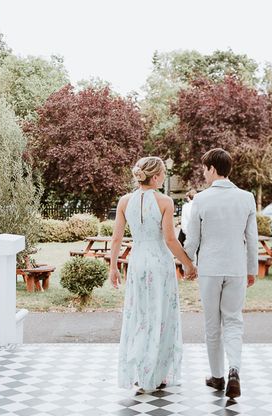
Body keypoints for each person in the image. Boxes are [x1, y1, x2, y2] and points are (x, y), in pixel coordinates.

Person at [109, 156, 197, 392]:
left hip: (137, 262)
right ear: (156, 177)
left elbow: (117, 238)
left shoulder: (125, 201)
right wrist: (188, 263)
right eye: (163, 175)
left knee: (139, 316)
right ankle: (157, 373)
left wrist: (113, 266)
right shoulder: (165, 201)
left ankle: (140, 372)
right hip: (159, 264)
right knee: (160, 317)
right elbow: (169, 239)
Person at [185, 148, 258, 400]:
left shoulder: (201, 200)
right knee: (234, 321)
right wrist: (251, 269)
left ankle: (217, 377)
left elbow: (192, 239)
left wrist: (188, 265)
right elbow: (251, 238)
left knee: (212, 324)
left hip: (210, 269)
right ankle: (234, 370)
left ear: (213, 169)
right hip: (236, 268)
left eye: (204, 169)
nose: (203, 174)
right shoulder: (247, 198)